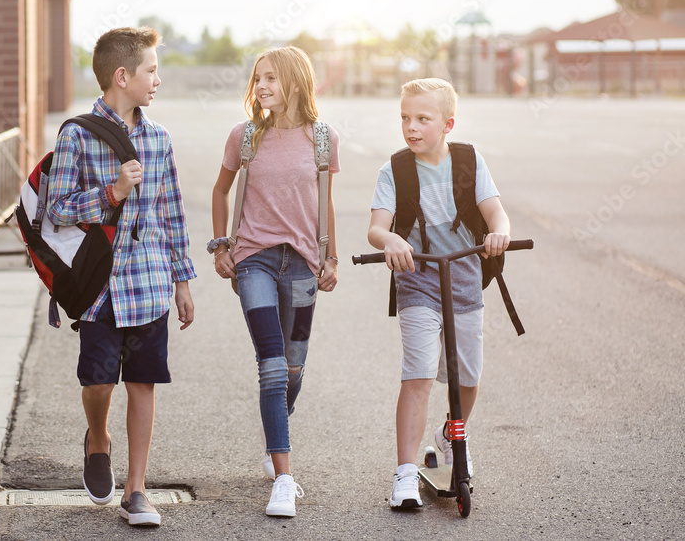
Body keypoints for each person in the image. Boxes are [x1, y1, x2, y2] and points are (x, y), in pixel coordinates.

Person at [46, 26, 196, 528]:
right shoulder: (78, 135)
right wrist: (110, 193)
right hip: (101, 287)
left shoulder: (159, 139)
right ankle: (98, 438)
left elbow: (172, 211)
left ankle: (137, 489)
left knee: (143, 382)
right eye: (151, 70)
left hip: (150, 281)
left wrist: (182, 279)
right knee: (98, 382)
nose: (158, 79)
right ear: (122, 76)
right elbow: (57, 209)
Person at [366, 78, 511, 509]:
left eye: (422, 119)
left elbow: (496, 212)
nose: (411, 127)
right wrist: (389, 240)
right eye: (405, 118)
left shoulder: (468, 161)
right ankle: (405, 473)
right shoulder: (394, 170)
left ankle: (451, 433)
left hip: (465, 279)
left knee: (468, 379)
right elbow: (377, 226)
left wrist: (500, 234)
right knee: (419, 375)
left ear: (447, 124)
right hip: (418, 280)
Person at [210, 46, 340, 518]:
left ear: (296, 83)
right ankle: (284, 477)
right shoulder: (245, 136)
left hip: (303, 264)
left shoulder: (323, 139)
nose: (262, 86)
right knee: (270, 364)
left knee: (293, 368)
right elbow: (221, 190)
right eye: (257, 78)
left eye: (271, 78)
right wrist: (221, 246)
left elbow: (325, 201)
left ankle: (273, 437)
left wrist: (332, 257)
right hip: (254, 262)